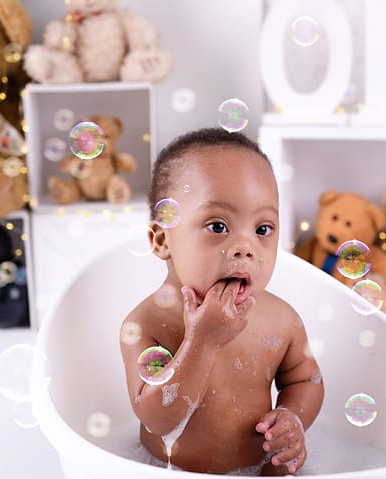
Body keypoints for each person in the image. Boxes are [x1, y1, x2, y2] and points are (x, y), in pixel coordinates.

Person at [119, 128, 324, 476]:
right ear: (162, 240)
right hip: (167, 471)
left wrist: (293, 418)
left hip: (259, 470)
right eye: (217, 226)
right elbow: (157, 419)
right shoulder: (146, 325)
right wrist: (202, 341)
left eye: (263, 229)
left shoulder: (281, 320)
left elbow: (306, 381)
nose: (246, 247)